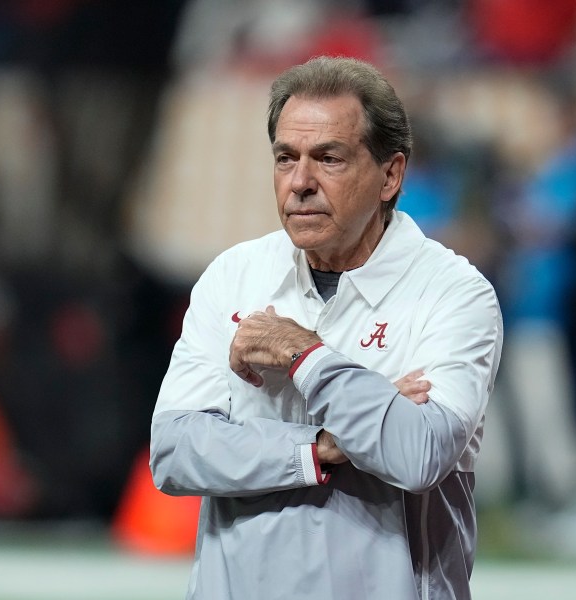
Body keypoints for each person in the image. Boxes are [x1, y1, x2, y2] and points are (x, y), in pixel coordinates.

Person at [150, 56, 503, 600]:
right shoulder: (235, 275)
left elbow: (418, 454)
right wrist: (319, 449)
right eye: (285, 158)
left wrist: (305, 356)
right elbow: (174, 451)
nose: (300, 183)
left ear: (390, 175)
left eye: (329, 158)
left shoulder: (453, 292)